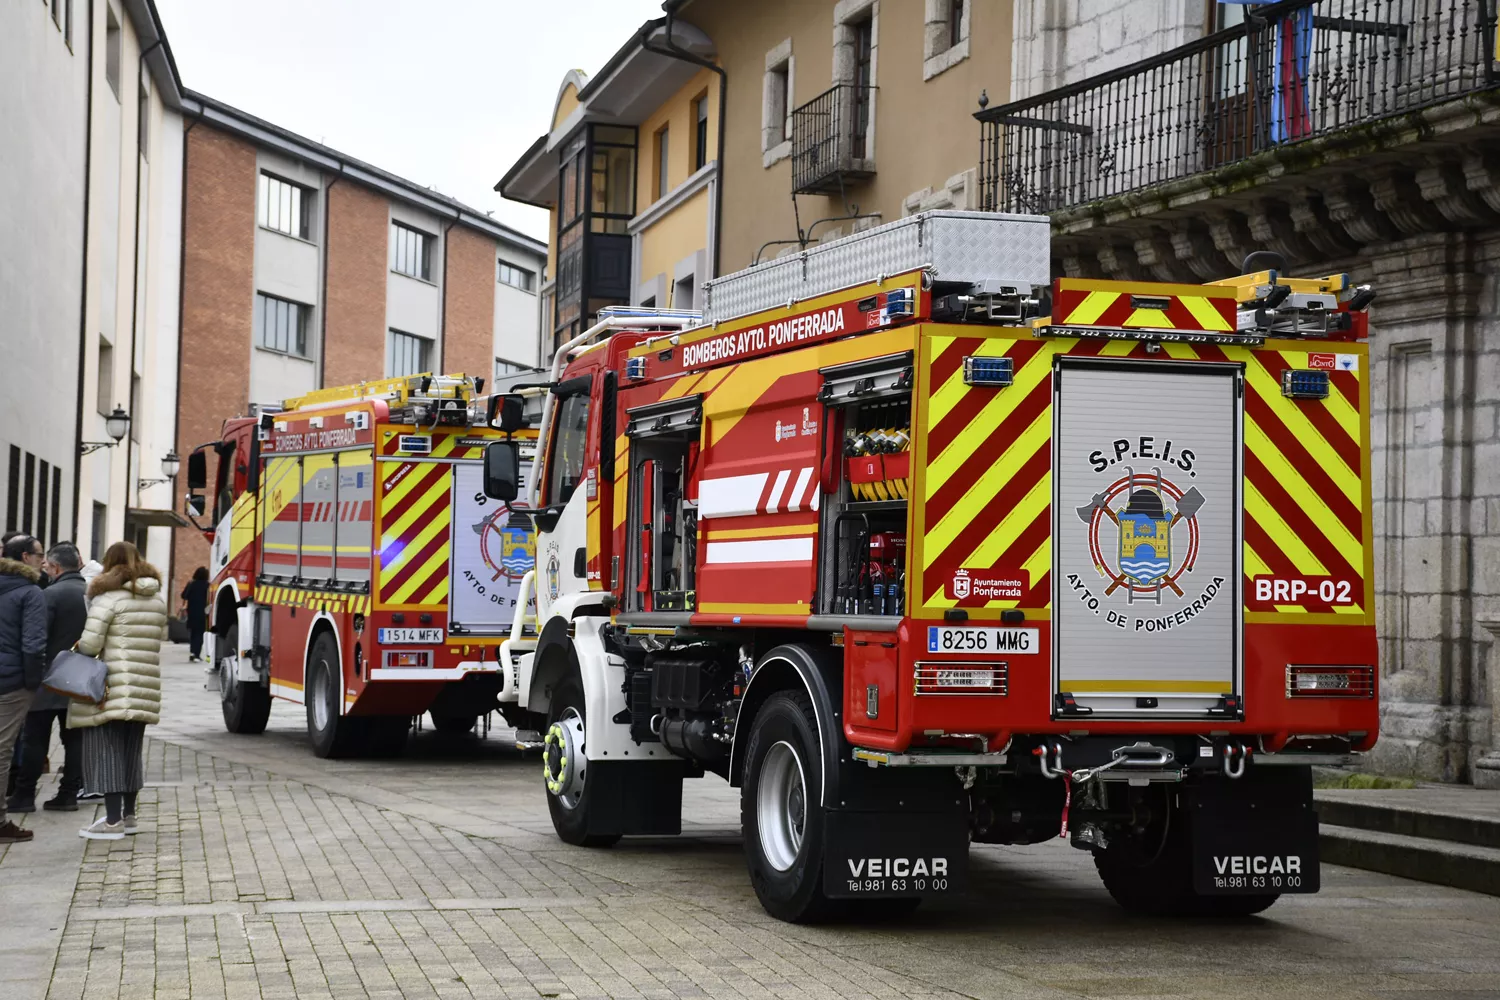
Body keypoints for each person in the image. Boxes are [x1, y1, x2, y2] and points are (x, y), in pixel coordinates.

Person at [70, 541, 167, 840]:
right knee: (131, 752)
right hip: (144, 685)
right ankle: (129, 816)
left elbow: (89, 646)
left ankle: (112, 822)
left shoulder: (108, 599)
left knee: (107, 751)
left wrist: (74, 650)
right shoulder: (156, 600)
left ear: (109, 564)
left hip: (113, 687)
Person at [7, 543, 88, 814]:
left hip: (48, 677)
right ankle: (68, 794)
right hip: (79, 678)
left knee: (35, 739)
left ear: (54, 567)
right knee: (74, 739)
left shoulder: (48, 594)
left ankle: (24, 795)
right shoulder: (90, 594)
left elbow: (37, 639)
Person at [0, 535, 48, 843]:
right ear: (24, 557)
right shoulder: (31, 593)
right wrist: (33, 683)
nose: (43, 560)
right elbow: (33, 644)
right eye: (39, 554)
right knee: (2, 751)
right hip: (13, 681)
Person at [179, 567, 210, 663]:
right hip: (202, 612)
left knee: (193, 633)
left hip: (191, 611)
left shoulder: (191, 584)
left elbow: (183, 595)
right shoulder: (207, 585)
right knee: (199, 634)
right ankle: (196, 654)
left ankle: (192, 652)